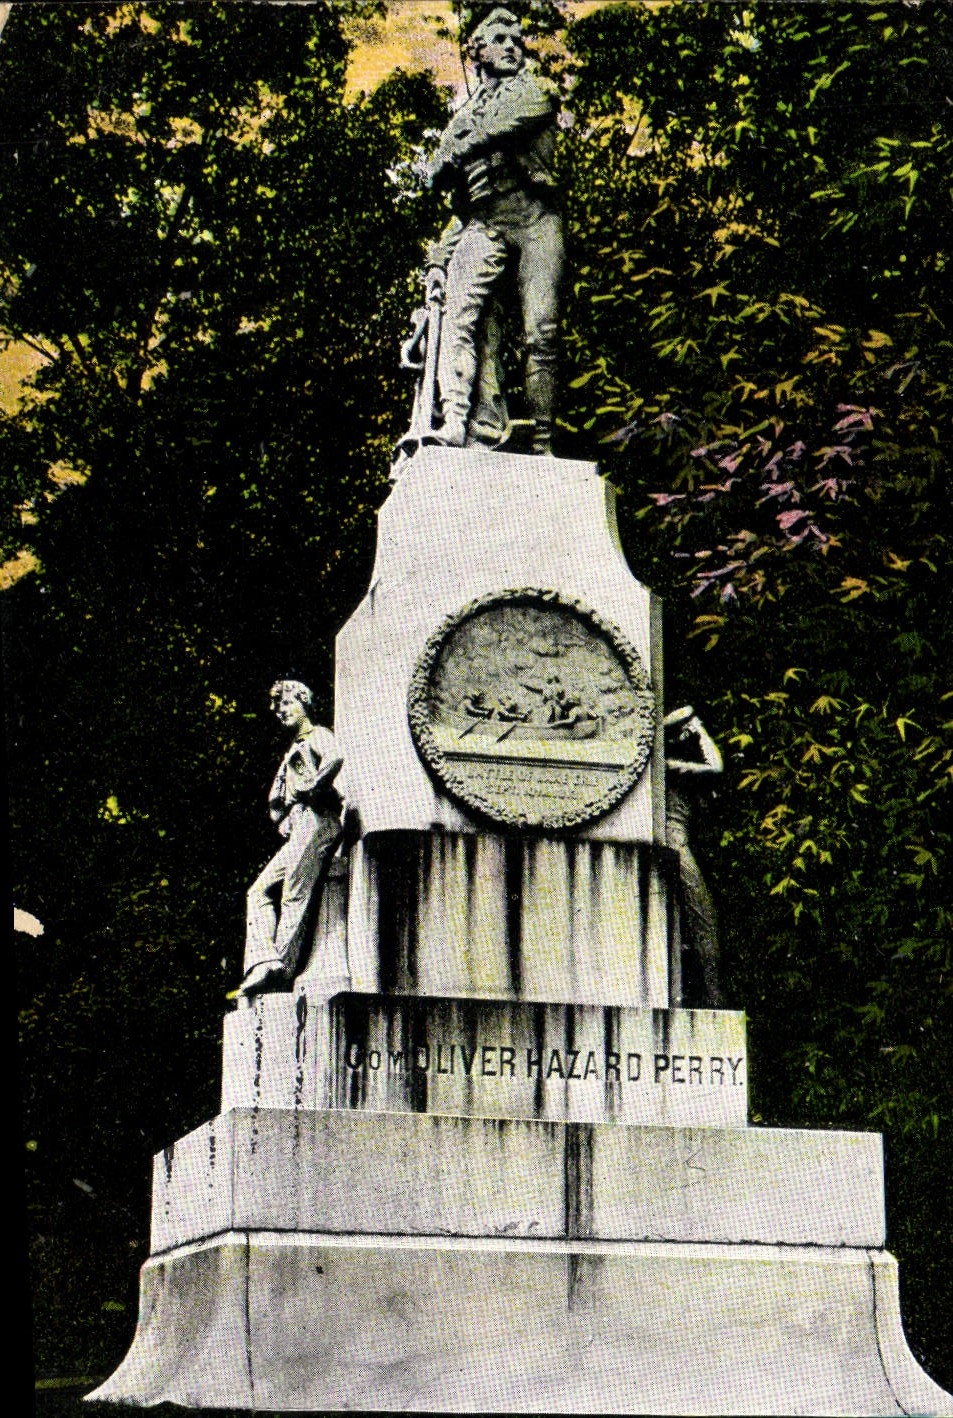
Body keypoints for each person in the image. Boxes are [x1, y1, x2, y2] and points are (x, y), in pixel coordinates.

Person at [427, 6, 564, 454]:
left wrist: (455, 149)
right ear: (478, 51)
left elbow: (504, 128)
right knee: (457, 314)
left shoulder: (535, 90)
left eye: (517, 41)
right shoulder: (466, 116)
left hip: (536, 219)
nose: (511, 47)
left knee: (541, 331)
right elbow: (458, 204)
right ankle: (456, 420)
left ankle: (543, 442)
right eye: (500, 39)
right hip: (488, 222)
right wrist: (438, 259)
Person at [231, 680, 344, 1000]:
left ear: (304, 702)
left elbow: (335, 757)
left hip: (317, 820)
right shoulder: (293, 748)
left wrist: (313, 787)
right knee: (258, 892)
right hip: (300, 824)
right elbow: (277, 801)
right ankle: (265, 960)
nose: (281, 712)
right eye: (278, 709)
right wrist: (284, 817)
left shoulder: (317, 735)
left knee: (294, 893)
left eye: (286, 704)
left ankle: (280, 967)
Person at [664, 705, 724, 1008]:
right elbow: (716, 767)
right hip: (674, 846)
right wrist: (700, 731)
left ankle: (710, 994)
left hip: (679, 845)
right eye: (689, 730)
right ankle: (713, 996)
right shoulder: (669, 766)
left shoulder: (679, 767)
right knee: (702, 918)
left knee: (702, 919)